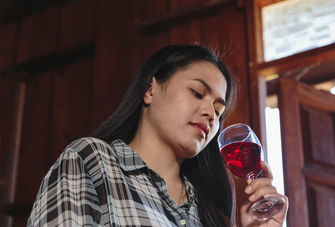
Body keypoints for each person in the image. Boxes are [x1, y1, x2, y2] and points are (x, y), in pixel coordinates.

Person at [27, 44, 288, 226]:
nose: (210, 113)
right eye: (197, 93)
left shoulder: (208, 209)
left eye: (219, 111)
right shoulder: (90, 160)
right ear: (150, 89)